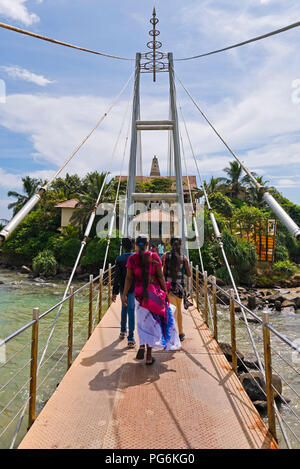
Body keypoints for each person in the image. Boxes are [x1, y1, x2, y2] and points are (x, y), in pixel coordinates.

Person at [122, 235, 180, 365]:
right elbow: (160, 276)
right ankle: (148, 356)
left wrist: (125, 294)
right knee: (152, 324)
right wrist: (165, 291)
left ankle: (142, 345)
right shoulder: (154, 257)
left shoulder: (132, 258)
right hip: (152, 296)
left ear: (136, 244)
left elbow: (128, 278)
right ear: (148, 244)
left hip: (139, 296)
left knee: (142, 323)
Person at [162, 237, 191, 342]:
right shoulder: (184, 258)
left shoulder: (165, 256)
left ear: (170, 244)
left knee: (171, 311)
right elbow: (189, 274)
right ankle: (180, 332)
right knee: (178, 310)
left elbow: (161, 270)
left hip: (169, 288)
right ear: (181, 245)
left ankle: (171, 333)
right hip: (180, 289)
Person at [112, 237, 135, 348]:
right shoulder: (136, 258)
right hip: (134, 288)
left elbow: (116, 277)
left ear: (123, 247)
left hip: (122, 289)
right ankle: (131, 338)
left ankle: (122, 330)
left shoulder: (119, 259)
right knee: (131, 311)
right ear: (133, 246)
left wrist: (114, 292)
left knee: (124, 308)